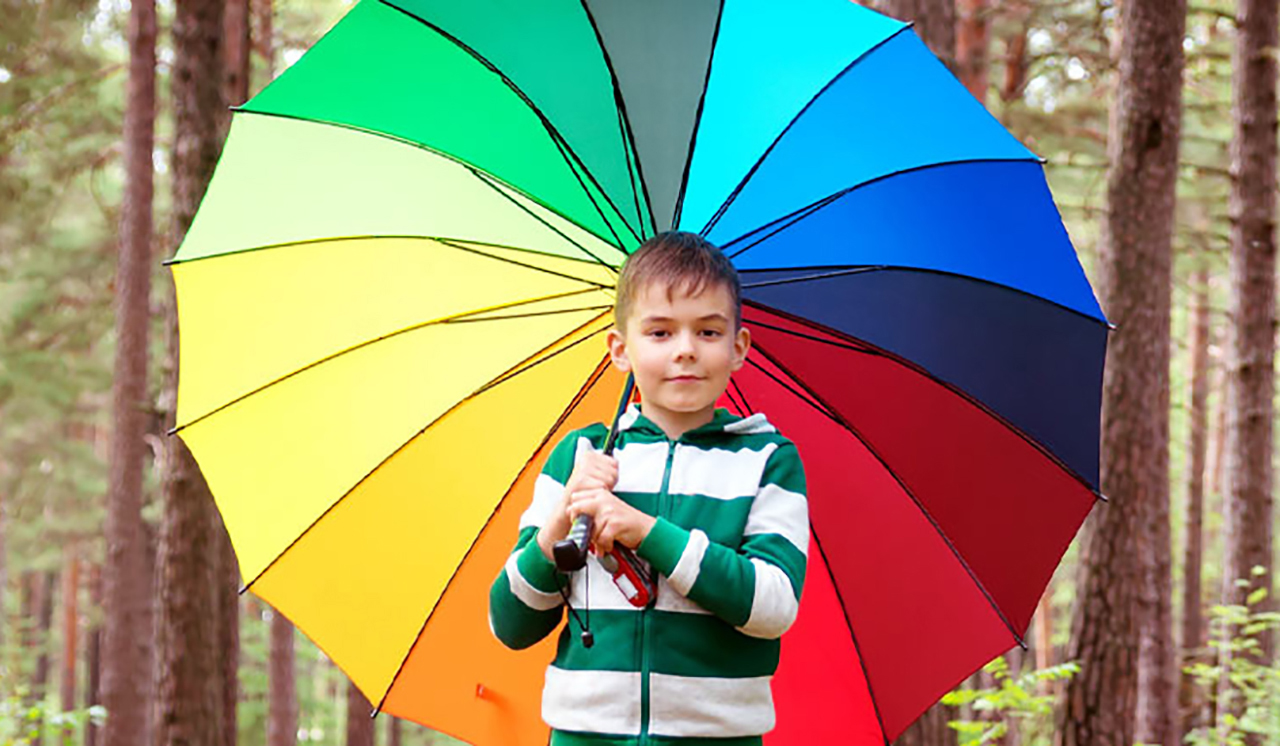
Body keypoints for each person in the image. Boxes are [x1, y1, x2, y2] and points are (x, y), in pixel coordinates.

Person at [489, 231, 809, 746]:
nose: (685, 350)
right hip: (583, 735)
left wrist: (647, 531)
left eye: (708, 332)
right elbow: (511, 623)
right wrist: (558, 524)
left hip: (718, 738)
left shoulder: (766, 461)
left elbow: (772, 606)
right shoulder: (582, 458)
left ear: (738, 347)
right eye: (660, 333)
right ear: (621, 348)